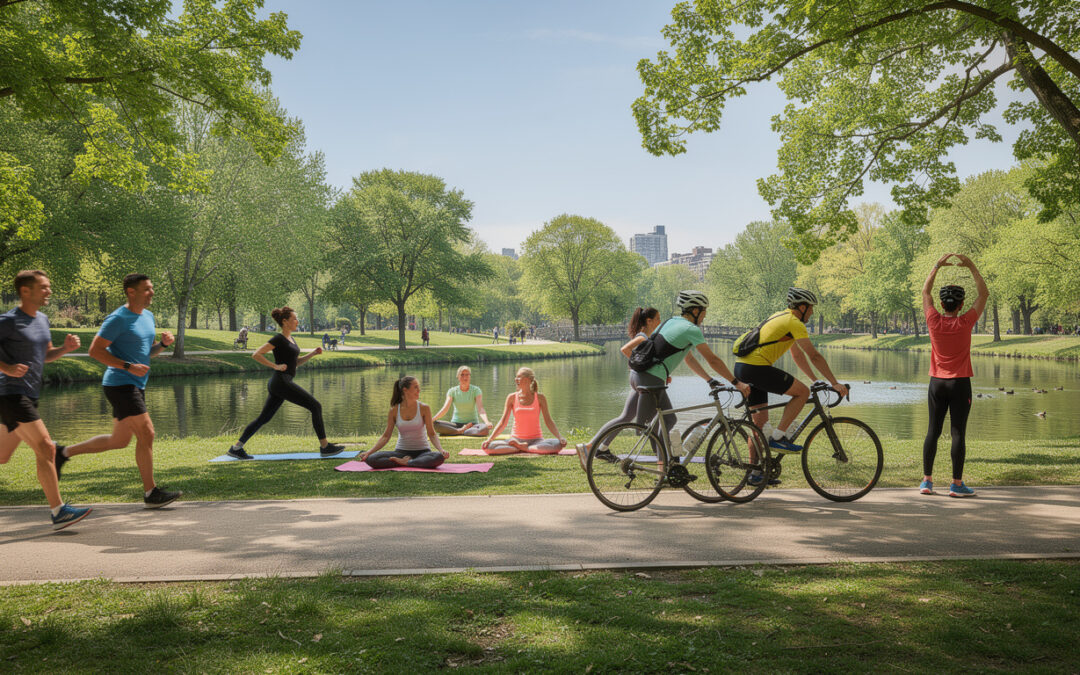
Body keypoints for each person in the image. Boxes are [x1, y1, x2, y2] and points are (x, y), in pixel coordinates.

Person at [57, 274, 182, 508]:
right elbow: (95, 351)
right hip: (120, 384)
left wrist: (163, 345)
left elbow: (146, 354)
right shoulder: (117, 318)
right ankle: (150, 493)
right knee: (148, 433)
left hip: (136, 383)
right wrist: (127, 366)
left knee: (119, 441)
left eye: (152, 288)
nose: (152, 292)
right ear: (131, 292)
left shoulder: (148, 316)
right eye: (147, 289)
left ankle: (62, 453)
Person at [0, 271, 92, 530]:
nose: (48, 291)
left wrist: (64, 349)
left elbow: (45, 354)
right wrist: (6, 368)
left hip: (29, 394)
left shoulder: (42, 319)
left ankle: (58, 510)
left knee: (2, 456)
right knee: (47, 448)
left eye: (48, 287)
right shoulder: (8, 321)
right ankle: (59, 510)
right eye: (43, 287)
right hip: (11, 394)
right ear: (25, 291)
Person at [733, 287, 849, 485]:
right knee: (802, 393)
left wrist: (815, 380)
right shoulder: (794, 322)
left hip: (743, 368)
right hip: (757, 368)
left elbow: (797, 355)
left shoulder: (780, 318)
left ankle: (755, 473)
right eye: (810, 308)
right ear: (802, 307)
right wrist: (835, 383)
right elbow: (814, 355)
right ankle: (778, 437)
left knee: (759, 425)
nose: (812, 312)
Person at [626, 292, 750, 463]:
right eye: (704, 311)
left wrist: (709, 379)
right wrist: (737, 383)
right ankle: (664, 468)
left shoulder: (672, 322)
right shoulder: (692, 329)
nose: (705, 316)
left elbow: (688, 358)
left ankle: (667, 467)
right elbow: (713, 360)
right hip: (651, 378)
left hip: (638, 374)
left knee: (668, 419)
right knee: (657, 424)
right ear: (695, 311)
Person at [226, 307, 345, 459]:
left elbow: (295, 363)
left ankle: (236, 448)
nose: (297, 321)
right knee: (315, 406)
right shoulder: (278, 338)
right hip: (280, 382)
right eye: (294, 319)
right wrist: (275, 366)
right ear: (285, 322)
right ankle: (325, 447)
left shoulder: (291, 339)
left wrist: (313, 353)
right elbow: (256, 354)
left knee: (264, 418)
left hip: (281, 383)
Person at [919, 253, 988, 497]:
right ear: (960, 306)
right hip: (960, 384)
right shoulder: (966, 321)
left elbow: (925, 293)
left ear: (942, 304)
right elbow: (984, 295)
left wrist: (936, 265)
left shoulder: (933, 320)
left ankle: (927, 481)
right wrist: (971, 266)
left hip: (937, 382)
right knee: (958, 432)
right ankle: (956, 485)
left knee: (932, 431)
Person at [575, 306, 662, 469]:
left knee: (626, 417)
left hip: (637, 380)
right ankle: (589, 447)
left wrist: (641, 366)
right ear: (649, 321)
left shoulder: (645, 336)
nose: (660, 322)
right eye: (657, 319)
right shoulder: (643, 337)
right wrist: (640, 365)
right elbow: (625, 349)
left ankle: (601, 449)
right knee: (644, 418)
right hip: (640, 381)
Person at [360, 375, 448, 468]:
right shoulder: (394, 410)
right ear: (405, 390)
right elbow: (386, 436)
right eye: (415, 387)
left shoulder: (424, 408)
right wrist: (369, 452)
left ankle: (407, 463)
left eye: (418, 387)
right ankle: (410, 462)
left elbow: (432, 434)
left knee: (438, 457)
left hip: (423, 452)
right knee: (372, 458)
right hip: (401, 452)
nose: (419, 390)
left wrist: (441, 450)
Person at [481, 367, 567, 454]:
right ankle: (522, 447)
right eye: (516, 377)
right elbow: (503, 423)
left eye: (519, 377)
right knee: (488, 447)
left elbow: (548, 421)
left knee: (558, 444)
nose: (516, 379)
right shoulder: (512, 397)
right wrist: (490, 439)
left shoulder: (540, 398)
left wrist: (560, 437)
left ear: (527, 379)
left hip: (536, 441)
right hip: (515, 439)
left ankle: (521, 448)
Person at [433, 366, 493, 437]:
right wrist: (433, 419)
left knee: (485, 429)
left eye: (467, 374)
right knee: (435, 424)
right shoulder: (452, 391)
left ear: (470, 376)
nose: (465, 377)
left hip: (472, 424)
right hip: (456, 424)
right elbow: (445, 409)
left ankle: (457, 431)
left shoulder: (476, 390)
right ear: (458, 377)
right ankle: (461, 431)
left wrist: (487, 422)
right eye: (462, 375)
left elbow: (481, 409)